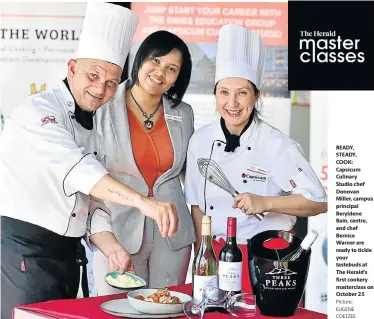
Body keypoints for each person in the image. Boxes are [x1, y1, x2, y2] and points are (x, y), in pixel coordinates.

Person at [0, 4, 178, 318]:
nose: (100, 89)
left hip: (66, 256)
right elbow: (83, 173)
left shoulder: (91, 130)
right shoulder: (37, 113)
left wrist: (111, 247)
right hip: (24, 252)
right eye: (93, 76)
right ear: (71, 68)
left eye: (112, 83)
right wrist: (143, 203)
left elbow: (90, 204)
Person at [184, 24, 328, 251]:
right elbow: (197, 208)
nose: (232, 103)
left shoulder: (278, 145)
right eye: (224, 92)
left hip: (266, 254)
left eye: (242, 92)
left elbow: (318, 202)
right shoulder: (200, 141)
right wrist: (203, 253)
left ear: (256, 95)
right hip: (215, 252)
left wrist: (265, 202)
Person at [92, 30, 195, 295]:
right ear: (141, 58)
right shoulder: (104, 105)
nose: (160, 72)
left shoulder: (183, 113)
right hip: (118, 232)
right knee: (115, 310)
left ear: (177, 79)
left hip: (172, 235)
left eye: (171, 68)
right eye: (156, 60)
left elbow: (192, 178)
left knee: (167, 308)